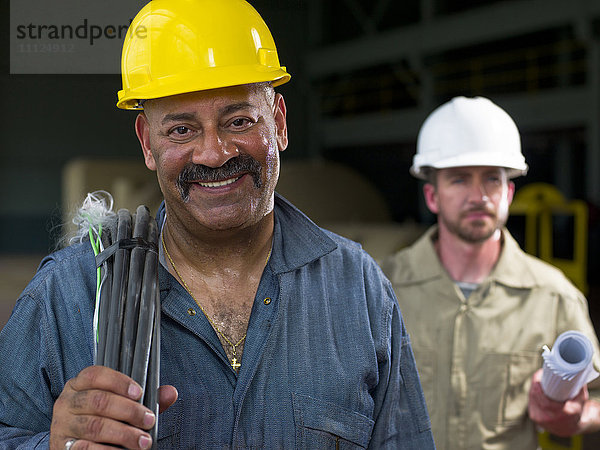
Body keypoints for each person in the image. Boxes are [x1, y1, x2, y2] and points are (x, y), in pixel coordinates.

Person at [0, 0, 435, 448]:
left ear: (280, 123)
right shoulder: (69, 292)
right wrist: (54, 446)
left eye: (239, 121)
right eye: (182, 130)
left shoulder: (357, 287)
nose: (215, 153)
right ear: (148, 144)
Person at [381, 95, 600, 449]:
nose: (479, 196)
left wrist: (576, 415)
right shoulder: (380, 288)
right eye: (459, 180)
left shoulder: (554, 296)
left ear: (509, 192)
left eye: (492, 180)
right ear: (432, 196)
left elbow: (595, 399)